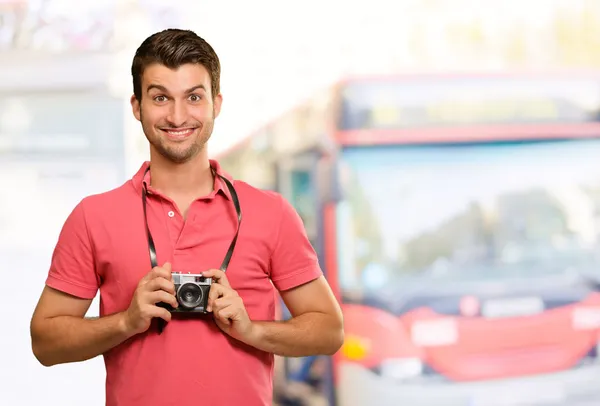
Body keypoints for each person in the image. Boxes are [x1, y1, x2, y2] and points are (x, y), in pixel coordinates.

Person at [29, 28, 344, 406]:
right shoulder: (92, 216)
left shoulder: (270, 213)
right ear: (136, 106)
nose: (178, 116)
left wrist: (252, 331)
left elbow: (329, 330)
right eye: (161, 97)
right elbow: (45, 344)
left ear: (216, 103)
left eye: (193, 97)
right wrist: (126, 321)